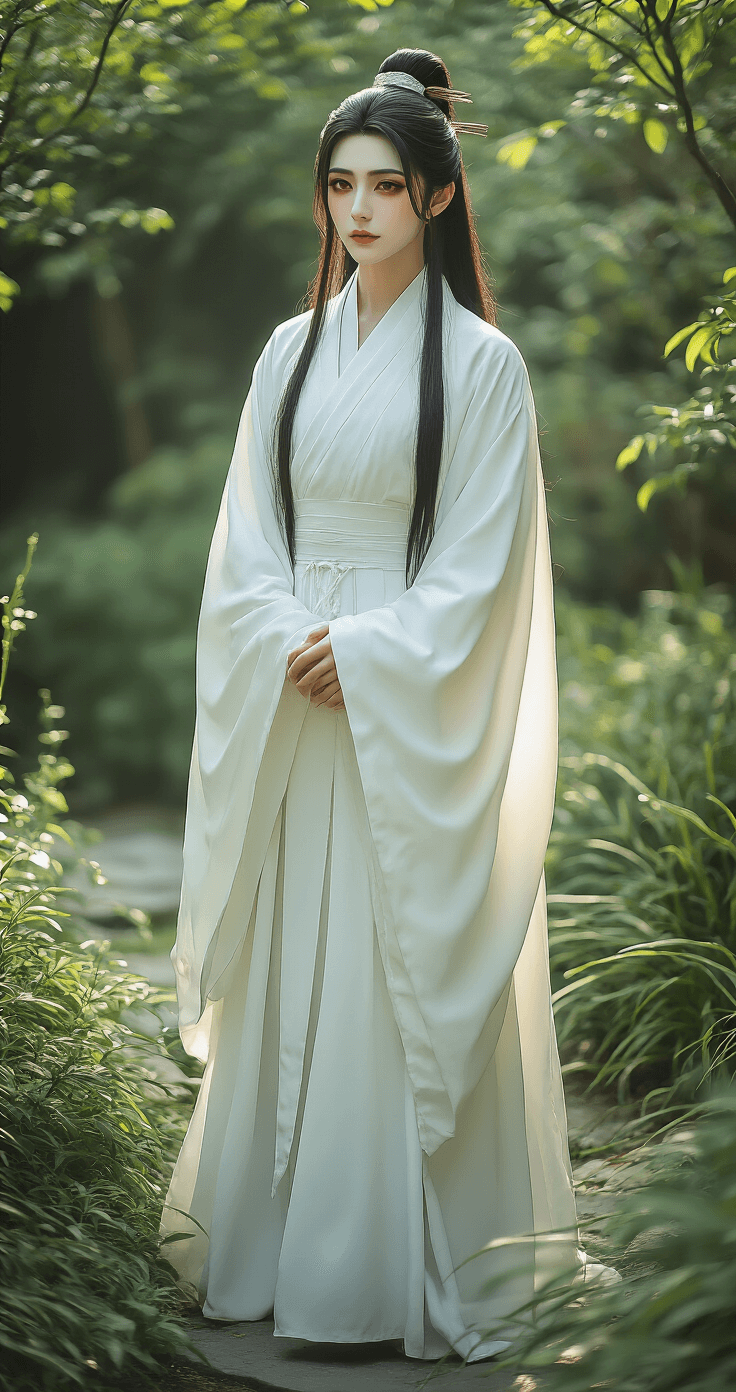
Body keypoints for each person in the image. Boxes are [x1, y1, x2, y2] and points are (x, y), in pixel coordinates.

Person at [162, 47, 586, 1363]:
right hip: (297, 690)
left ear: (440, 200)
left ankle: (384, 1275)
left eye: (387, 188)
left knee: (384, 966)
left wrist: (375, 652)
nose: (358, 212)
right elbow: (244, 540)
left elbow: (479, 567)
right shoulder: (287, 355)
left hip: (395, 700)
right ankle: (269, 1255)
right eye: (339, 185)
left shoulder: (483, 370)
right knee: (295, 966)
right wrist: (290, 634)